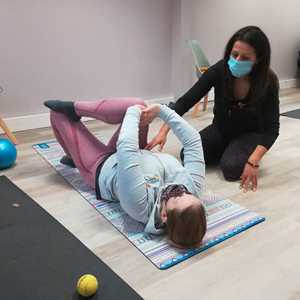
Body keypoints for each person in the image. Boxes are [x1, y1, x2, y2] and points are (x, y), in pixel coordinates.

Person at [44, 98, 207, 248]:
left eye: (178, 198)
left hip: (101, 165)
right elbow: (193, 141)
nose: (183, 190)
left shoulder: (139, 206)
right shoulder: (192, 190)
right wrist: (162, 111)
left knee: (58, 113)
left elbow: (125, 147)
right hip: (134, 154)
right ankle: (76, 109)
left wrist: (134, 112)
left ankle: (74, 155)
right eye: (190, 195)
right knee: (140, 104)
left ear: (164, 215)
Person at [146, 26, 280, 192]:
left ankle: (236, 151)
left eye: (245, 58)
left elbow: (272, 130)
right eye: (234, 54)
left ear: (258, 59)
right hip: (221, 129)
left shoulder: (269, 82)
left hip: (250, 134)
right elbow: (186, 101)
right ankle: (230, 150)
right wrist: (163, 131)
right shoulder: (219, 70)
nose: (237, 60)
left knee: (231, 169)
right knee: (186, 155)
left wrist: (254, 159)